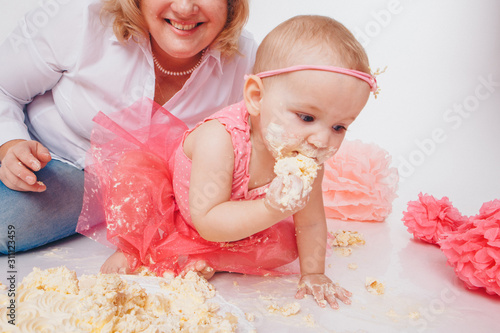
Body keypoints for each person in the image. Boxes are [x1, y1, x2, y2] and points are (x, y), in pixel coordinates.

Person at [79, 14, 377, 309]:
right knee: (136, 180)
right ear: (256, 97)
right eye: (307, 117)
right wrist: (270, 208)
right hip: (186, 210)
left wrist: (314, 273)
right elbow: (206, 220)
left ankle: (206, 258)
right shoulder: (219, 140)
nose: (321, 141)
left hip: (232, 220)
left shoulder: (308, 158)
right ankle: (134, 249)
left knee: (286, 244)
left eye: (339, 127)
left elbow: (310, 221)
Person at [0, 0, 256, 254]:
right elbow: (4, 87)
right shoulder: (83, 18)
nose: (184, 9)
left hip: (127, 194)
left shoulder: (247, 63)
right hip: (51, 156)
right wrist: (10, 145)